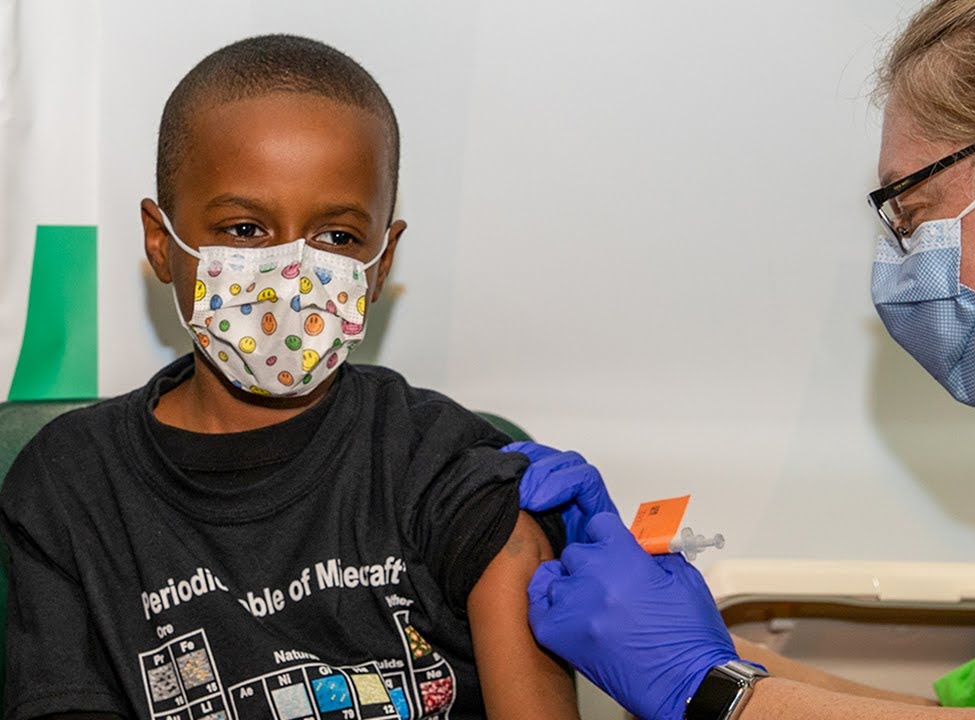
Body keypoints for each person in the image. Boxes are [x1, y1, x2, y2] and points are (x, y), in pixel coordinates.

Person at [515, 0, 975, 718]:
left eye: (911, 213)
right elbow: (969, 715)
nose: (900, 271)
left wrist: (702, 686)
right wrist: (681, 636)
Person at [0, 35, 585, 720]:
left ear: (383, 258)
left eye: (336, 237)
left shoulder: (437, 458)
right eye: (245, 229)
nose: (290, 277)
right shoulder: (72, 486)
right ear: (162, 243)